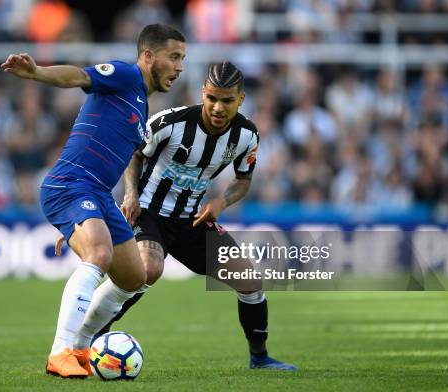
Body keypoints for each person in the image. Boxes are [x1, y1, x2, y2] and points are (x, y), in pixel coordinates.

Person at [67, 62, 297, 370]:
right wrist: (131, 194)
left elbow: (243, 180)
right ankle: (84, 337)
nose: (217, 107)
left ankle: (260, 357)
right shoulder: (169, 123)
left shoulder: (247, 135)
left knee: (250, 281)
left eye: (227, 100)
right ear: (203, 93)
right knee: (148, 269)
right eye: (212, 98)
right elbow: (134, 154)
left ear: (240, 99)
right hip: (149, 213)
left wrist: (222, 202)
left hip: (193, 219)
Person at [0, 24, 186, 378]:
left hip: (97, 196)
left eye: (183, 59)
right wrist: (37, 72)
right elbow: (78, 77)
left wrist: (78, 223)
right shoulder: (125, 75)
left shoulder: (140, 105)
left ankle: (83, 347)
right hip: (70, 185)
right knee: (98, 254)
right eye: (174, 57)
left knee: (135, 277)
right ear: (148, 56)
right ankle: (61, 351)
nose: (179, 67)